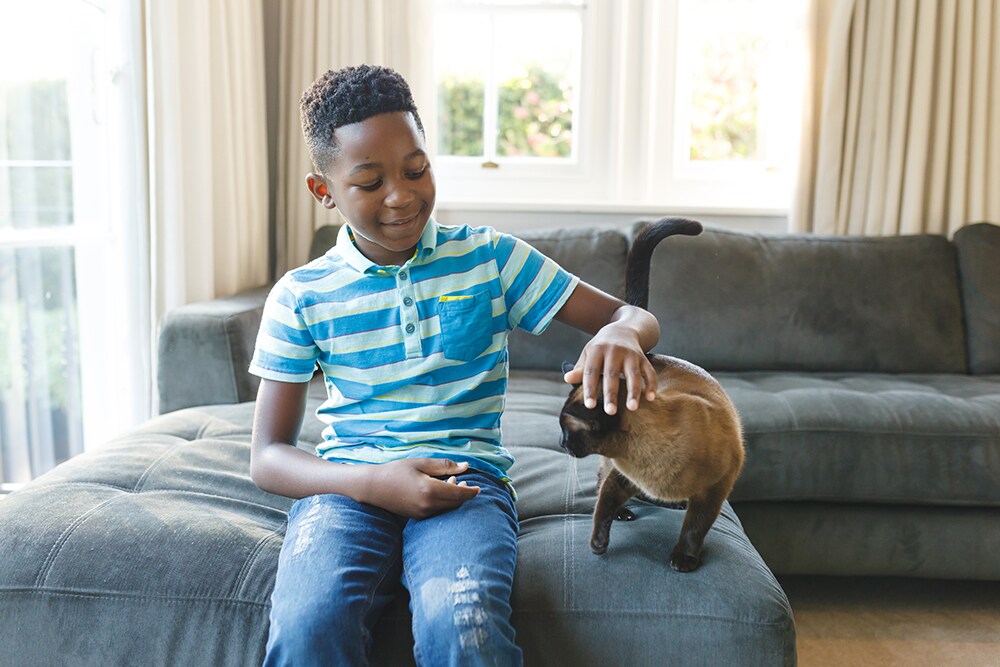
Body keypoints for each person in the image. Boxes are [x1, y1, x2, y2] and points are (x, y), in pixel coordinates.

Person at [249, 64, 660, 667]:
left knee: (463, 628)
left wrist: (622, 333)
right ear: (325, 192)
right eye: (369, 182)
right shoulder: (300, 295)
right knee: (309, 626)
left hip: (465, 484)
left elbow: (634, 316)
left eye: (416, 169)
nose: (402, 195)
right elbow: (267, 457)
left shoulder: (489, 257)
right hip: (345, 489)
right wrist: (370, 482)